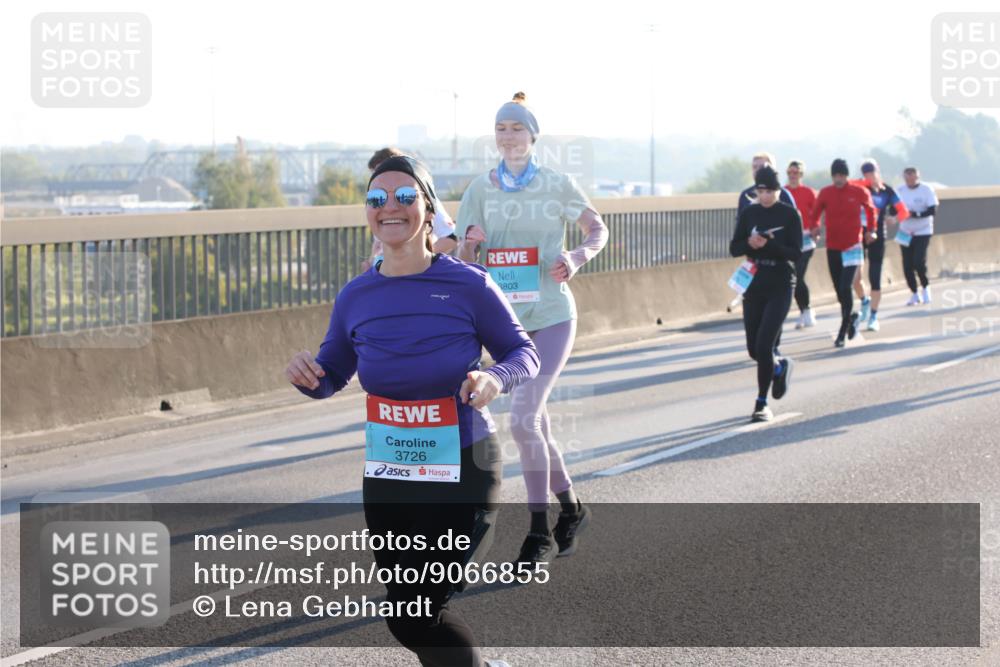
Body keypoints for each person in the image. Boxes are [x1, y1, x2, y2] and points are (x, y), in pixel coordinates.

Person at [287, 155, 538, 667]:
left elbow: (523, 353)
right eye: (376, 199)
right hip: (390, 472)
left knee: (422, 614)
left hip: (462, 465)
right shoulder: (356, 295)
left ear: (428, 210)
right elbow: (333, 372)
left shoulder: (470, 285)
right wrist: (309, 377)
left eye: (405, 196)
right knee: (406, 614)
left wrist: (494, 378)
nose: (390, 207)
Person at [457, 92, 608, 567]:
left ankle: (538, 532)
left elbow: (597, 229)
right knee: (535, 424)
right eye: (501, 129)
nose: (508, 137)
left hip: (553, 316)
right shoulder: (479, 190)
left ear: (533, 135)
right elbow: (462, 258)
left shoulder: (557, 184)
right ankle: (573, 510)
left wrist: (576, 257)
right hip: (506, 326)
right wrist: (470, 245)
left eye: (517, 128)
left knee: (523, 419)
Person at [730, 166, 802, 422]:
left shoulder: (789, 214)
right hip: (755, 281)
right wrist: (749, 243)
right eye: (761, 191)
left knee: (764, 345)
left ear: (778, 191)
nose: (765, 196)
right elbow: (734, 248)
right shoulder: (749, 213)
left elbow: (796, 253)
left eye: (769, 191)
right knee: (754, 349)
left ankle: (761, 403)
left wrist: (770, 244)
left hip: (781, 282)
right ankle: (779, 366)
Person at [810, 159, 877, 348]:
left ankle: (842, 332)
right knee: (839, 289)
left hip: (853, 246)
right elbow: (815, 213)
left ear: (846, 176)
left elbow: (871, 210)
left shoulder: (859, 192)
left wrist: (871, 230)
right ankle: (852, 316)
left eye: (841, 175)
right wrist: (815, 227)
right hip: (833, 246)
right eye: (835, 176)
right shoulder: (826, 193)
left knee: (845, 285)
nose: (838, 179)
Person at [360, 147, 458, 272]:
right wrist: (371, 264)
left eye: (405, 195)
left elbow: (452, 237)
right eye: (375, 172)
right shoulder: (379, 205)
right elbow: (379, 245)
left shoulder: (422, 200)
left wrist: (416, 259)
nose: (390, 208)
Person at [853, 159, 909, 331]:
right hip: (859, 235)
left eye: (872, 172)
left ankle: (873, 316)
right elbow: (846, 185)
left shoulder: (888, 191)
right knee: (855, 277)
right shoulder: (860, 187)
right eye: (866, 173)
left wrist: (894, 219)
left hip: (877, 236)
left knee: (875, 277)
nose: (869, 176)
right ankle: (864, 301)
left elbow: (904, 211)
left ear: (878, 172)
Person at [895, 166, 939, 305]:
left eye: (912, 177)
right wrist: (896, 214)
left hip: (923, 230)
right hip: (905, 231)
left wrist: (915, 214)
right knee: (907, 264)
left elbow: (932, 210)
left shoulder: (926, 189)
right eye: (907, 178)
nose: (909, 180)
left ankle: (925, 287)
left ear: (917, 177)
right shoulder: (900, 190)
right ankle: (914, 293)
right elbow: (893, 208)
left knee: (918, 261)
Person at [784, 160, 820, 329]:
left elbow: (817, 213)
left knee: (798, 275)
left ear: (801, 175)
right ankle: (804, 310)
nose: (792, 176)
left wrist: (816, 228)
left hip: (806, 239)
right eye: (790, 172)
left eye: (795, 173)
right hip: (790, 240)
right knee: (794, 277)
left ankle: (806, 310)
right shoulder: (783, 192)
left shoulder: (809, 192)